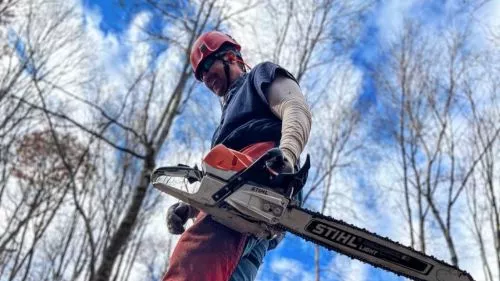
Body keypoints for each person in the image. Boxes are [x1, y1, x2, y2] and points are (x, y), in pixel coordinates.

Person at [162, 31, 312, 281]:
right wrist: (189, 207)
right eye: (202, 78)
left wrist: (287, 154)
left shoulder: (260, 76)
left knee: (192, 264)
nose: (208, 80)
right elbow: (214, 180)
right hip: (238, 198)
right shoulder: (221, 129)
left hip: (256, 176)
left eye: (210, 70)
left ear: (231, 57)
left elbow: (295, 107)